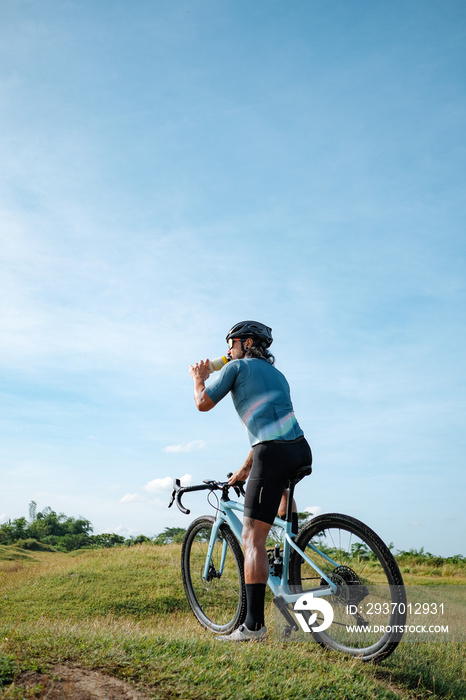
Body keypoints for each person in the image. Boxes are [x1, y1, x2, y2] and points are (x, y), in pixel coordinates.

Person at [189, 320, 312, 641]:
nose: (227, 352)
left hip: (272, 453)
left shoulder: (236, 367)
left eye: (230, 344)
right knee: (281, 489)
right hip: (298, 449)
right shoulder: (277, 375)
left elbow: (203, 403)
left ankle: (254, 627)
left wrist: (199, 379)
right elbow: (269, 431)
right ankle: (289, 561)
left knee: (252, 538)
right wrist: (243, 472)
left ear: (244, 342)